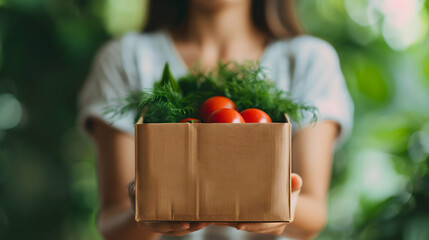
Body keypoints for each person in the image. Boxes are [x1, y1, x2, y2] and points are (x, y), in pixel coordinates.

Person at [77, 0, 353, 239]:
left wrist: (284, 206)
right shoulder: (125, 58)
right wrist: (145, 213)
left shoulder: (309, 60)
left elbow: (314, 214)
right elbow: (113, 223)